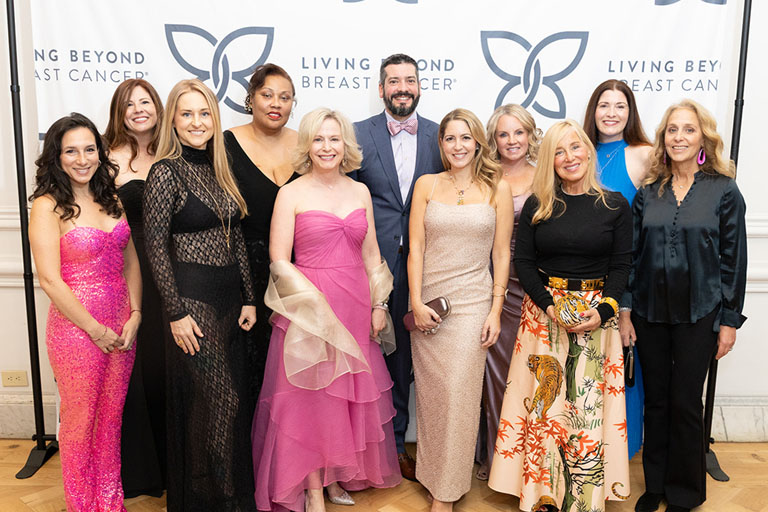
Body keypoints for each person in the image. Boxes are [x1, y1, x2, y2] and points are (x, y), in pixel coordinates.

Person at [251, 108, 401, 512]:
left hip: (355, 305)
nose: (327, 147)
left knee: (343, 396)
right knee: (311, 398)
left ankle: (335, 477)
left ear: (345, 145)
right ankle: (313, 487)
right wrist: (312, 304)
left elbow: (372, 254)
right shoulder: (291, 193)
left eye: (334, 139)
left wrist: (380, 304)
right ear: (307, 145)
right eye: (318, 139)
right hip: (309, 311)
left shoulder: (360, 192)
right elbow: (279, 259)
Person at [488, 119, 631, 512]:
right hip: (543, 316)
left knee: (586, 412)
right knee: (545, 411)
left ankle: (584, 500)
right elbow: (524, 262)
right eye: (558, 152)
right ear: (550, 160)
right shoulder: (539, 204)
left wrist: (604, 311)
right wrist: (549, 307)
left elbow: (621, 266)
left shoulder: (616, 205)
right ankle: (542, 497)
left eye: (575, 147)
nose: (569, 157)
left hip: (596, 318)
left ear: (588, 150)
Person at [621, 100, 747, 512]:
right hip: (649, 312)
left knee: (686, 402)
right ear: (663, 139)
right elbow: (632, 256)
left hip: (701, 313)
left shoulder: (724, 190)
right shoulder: (648, 192)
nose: (679, 137)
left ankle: (685, 492)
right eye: (672, 130)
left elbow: (734, 260)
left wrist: (729, 321)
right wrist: (625, 309)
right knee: (656, 401)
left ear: (703, 138)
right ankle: (655, 485)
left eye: (688, 130)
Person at [143, 79, 257, 511]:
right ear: (172, 120)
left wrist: (249, 297)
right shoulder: (165, 172)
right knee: (223, 399)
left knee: (210, 404)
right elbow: (155, 246)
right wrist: (175, 313)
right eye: (187, 113)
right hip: (192, 302)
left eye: (204, 113)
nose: (197, 122)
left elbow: (236, 237)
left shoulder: (219, 169)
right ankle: (223, 498)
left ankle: (203, 495)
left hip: (230, 301)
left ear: (215, 118)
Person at [29, 113, 142, 511]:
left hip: (121, 327)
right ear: (56, 157)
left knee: (111, 420)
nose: (82, 159)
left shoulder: (111, 198)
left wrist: (136, 314)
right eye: (71, 151)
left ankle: (110, 503)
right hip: (76, 331)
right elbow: (49, 280)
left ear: (100, 152)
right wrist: (94, 329)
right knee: (79, 423)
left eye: (89, 149)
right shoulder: (47, 206)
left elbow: (130, 261)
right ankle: (83, 505)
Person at [408, 108, 513, 511]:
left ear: (478, 143)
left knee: (459, 397)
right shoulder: (427, 185)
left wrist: (495, 310)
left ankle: (446, 494)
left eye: (466, 138)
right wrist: (416, 302)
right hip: (430, 306)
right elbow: (416, 249)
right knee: (434, 400)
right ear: (441, 144)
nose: (458, 146)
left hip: (473, 305)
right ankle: (435, 476)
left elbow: (501, 254)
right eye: (450, 138)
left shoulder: (497, 188)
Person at [352, 53, 443, 480]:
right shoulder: (356, 135)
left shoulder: (442, 136)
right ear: (381, 88)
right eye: (394, 81)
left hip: (428, 267)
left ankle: (400, 444)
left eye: (410, 80)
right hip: (370, 266)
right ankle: (366, 448)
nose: (402, 88)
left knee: (408, 358)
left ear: (420, 86)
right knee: (370, 355)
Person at [583, 79, 653, 461]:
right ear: (593, 110)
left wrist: (625, 304)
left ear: (631, 112)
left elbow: (647, 230)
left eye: (620, 106)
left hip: (624, 285)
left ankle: (620, 458)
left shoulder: (643, 154)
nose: (611, 113)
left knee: (623, 370)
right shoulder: (577, 151)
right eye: (604, 105)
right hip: (580, 287)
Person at [104, 77, 167, 498]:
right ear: (119, 112)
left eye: (145, 102)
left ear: (158, 108)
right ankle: (137, 472)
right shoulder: (105, 159)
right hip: (126, 267)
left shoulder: (171, 153)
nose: (139, 110)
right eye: (130, 104)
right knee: (132, 369)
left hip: (171, 270)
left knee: (164, 365)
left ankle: (170, 467)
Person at [224, 63, 299, 404]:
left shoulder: (307, 145)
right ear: (251, 98)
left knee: (292, 368)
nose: (276, 104)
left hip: (297, 272)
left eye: (285, 97)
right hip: (243, 273)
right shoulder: (225, 144)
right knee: (248, 370)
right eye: (267, 95)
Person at [476, 104, 541, 481]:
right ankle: (496, 456)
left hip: (531, 284)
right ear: (493, 140)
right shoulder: (483, 175)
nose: (512, 140)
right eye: (503, 134)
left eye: (519, 132)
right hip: (483, 279)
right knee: (492, 372)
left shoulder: (545, 176)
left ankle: (526, 458)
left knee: (526, 374)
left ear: (530, 135)